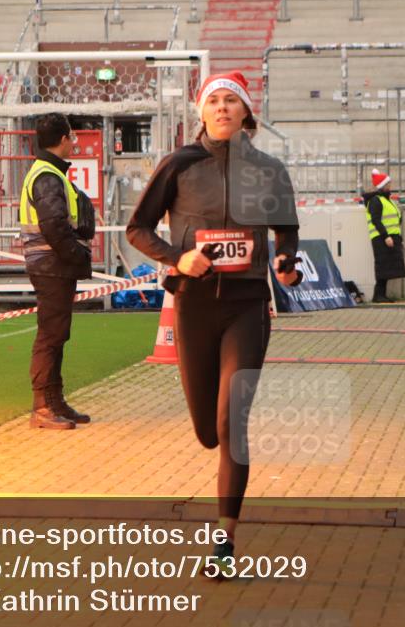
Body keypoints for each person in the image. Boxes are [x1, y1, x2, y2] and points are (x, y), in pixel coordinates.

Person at [126, 71, 301, 576]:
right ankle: (212, 443)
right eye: (214, 101)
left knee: (231, 424)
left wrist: (286, 261)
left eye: (231, 100)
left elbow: (286, 230)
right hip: (195, 305)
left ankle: (224, 543)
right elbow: (138, 228)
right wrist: (177, 258)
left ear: (246, 112)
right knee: (207, 430)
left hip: (248, 306)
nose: (222, 108)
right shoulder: (179, 164)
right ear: (201, 112)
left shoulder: (269, 170)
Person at [19, 113, 96, 429]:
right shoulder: (48, 177)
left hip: (52, 265)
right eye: (72, 137)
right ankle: (43, 407)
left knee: (56, 334)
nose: (74, 143)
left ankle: (54, 401)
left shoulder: (47, 173)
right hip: (52, 265)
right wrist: (77, 255)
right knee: (51, 336)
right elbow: (54, 226)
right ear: (64, 139)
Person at [362, 168, 405, 303]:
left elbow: (395, 220)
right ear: (382, 186)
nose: (390, 186)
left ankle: (381, 295)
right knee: (382, 265)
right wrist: (386, 236)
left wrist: (399, 238)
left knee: (388, 267)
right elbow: (376, 220)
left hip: (391, 237)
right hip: (381, 238)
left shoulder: (387, 200)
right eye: (388, 184)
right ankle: (378, 295)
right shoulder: (376, 201)